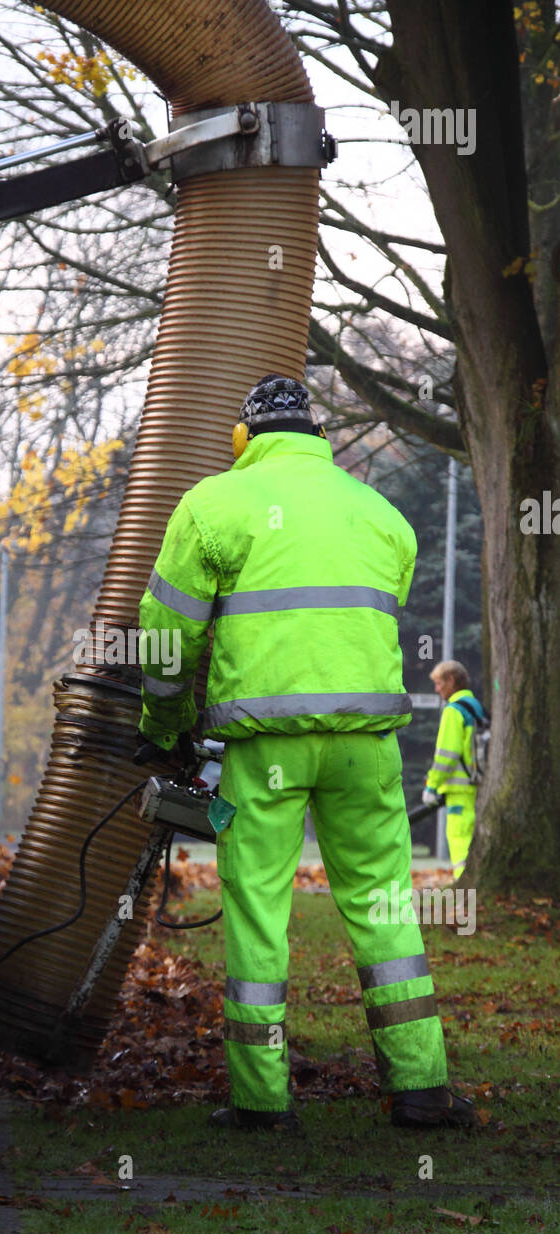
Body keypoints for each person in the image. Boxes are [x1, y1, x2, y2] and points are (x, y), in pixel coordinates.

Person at [135, 373, 474, 1131]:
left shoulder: (213, 505)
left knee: (260, 913)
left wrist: (166, 726)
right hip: (367, 748)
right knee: (386, 906)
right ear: (317, 433)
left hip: (265, 751)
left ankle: (262, 1102)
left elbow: (165, 629)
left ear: (245, 439)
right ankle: (420, 1089)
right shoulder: (380, 514)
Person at [422, 660, 485, 880]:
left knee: (459, 843)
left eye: (439, 683)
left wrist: (432, 785)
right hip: (477, 787)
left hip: (459, 792)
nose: (437, 689)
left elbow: (446, 756)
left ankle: (464, 887)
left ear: (451, 680)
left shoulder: (453, 710)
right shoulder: (475, 706)